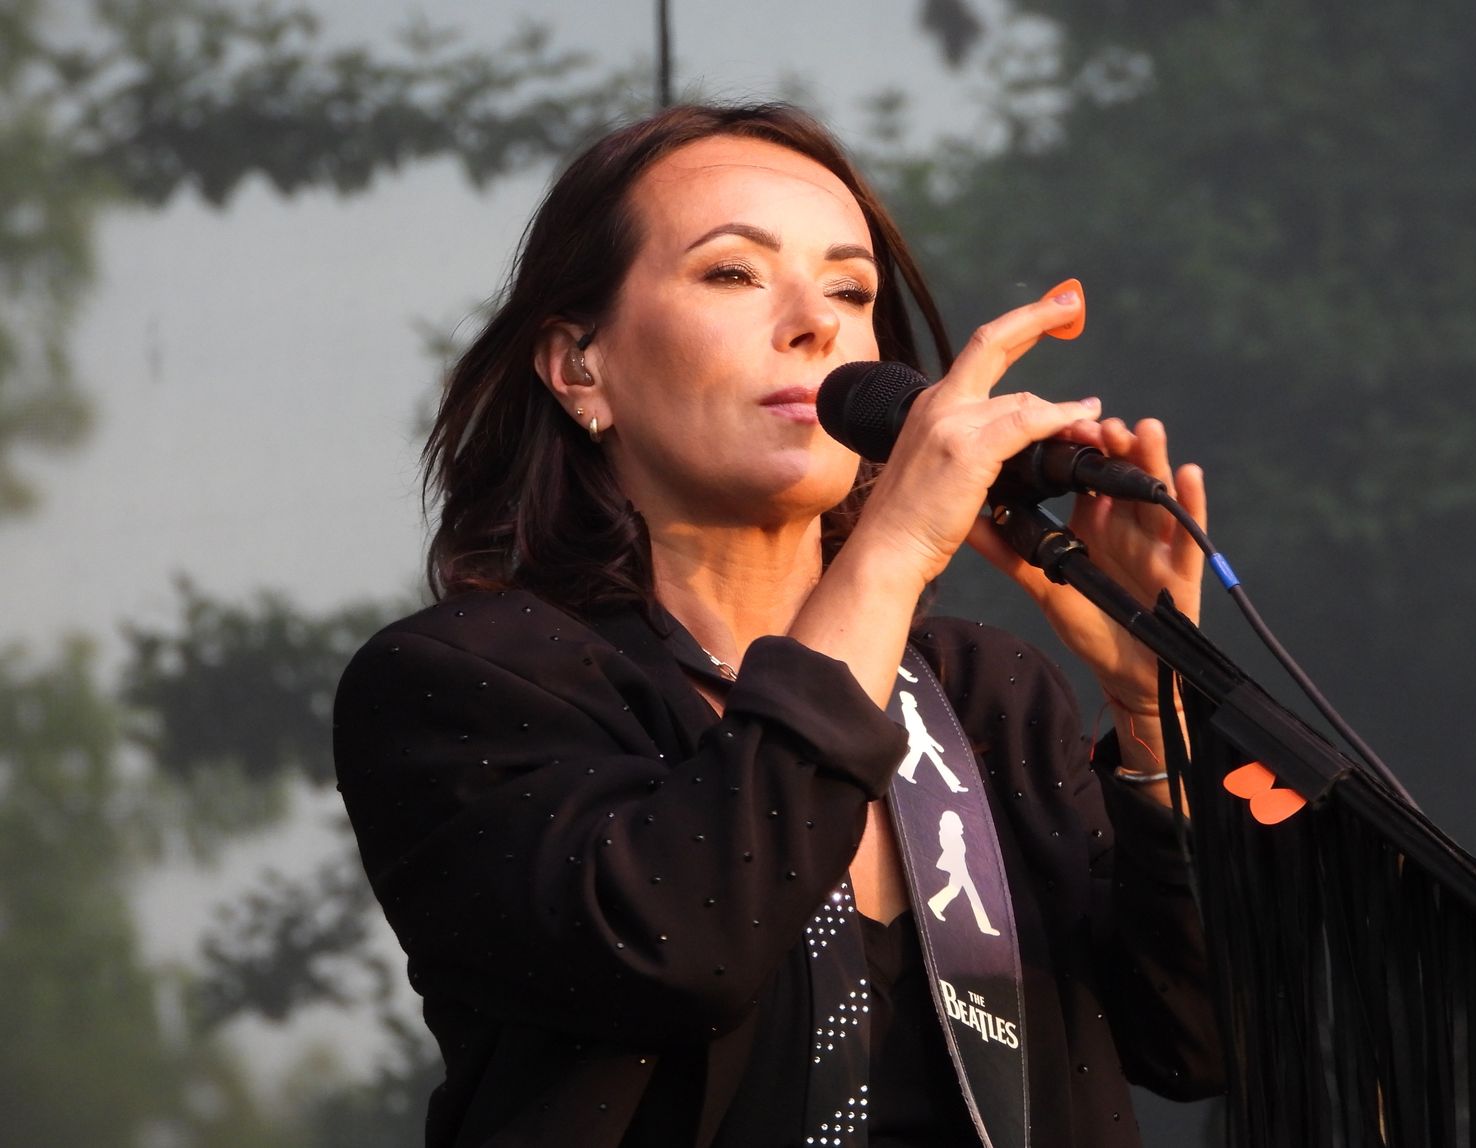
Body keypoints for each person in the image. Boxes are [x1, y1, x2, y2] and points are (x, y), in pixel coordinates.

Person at [333, 102, 1223, 1148]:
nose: (816, 324)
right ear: (580, 367)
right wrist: (895, 544)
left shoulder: (989, 696)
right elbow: (683, 941)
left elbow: (1195, 1038)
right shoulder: (464, 682)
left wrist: (1151, 710)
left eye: (850, 290)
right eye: (733, 273)